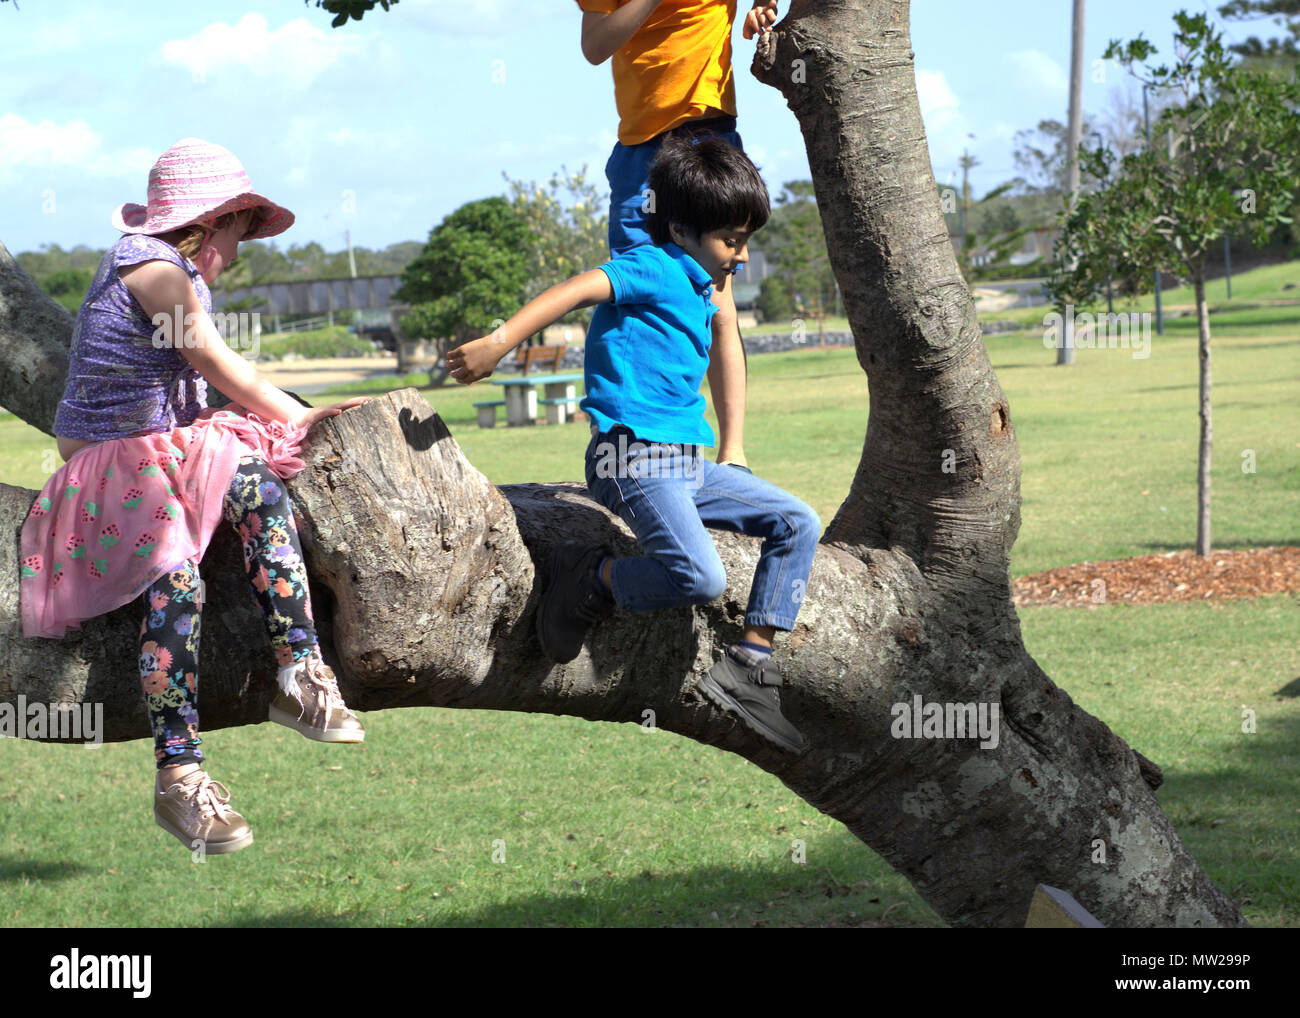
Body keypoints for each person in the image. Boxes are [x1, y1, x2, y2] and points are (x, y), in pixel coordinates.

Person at [20, 138, 368, 855]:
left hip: (154, 454)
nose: (241, 250)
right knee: (202, 546)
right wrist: (292, 414)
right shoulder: (151, 269)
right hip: (112, 466)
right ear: (213, 222)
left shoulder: (174, 274)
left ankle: (297, 674)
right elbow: (210, 354)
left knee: (238, 500)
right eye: (241, 228)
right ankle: (187, 770)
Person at [447, 137, 819, 753]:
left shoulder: (703, 290)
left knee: (797, 521)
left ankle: (750, 667)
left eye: (746, 239)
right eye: (733, 240)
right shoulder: (655, 265)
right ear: (681, 229)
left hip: (688, 466)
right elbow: (576, 289)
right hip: (632, 462)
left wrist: (735, 447)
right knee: (699, 578)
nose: (743, 257)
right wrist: (498, 342)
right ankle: (589, 573)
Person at [576, 0, 779, 471]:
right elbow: (594, 46)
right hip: (638, 153)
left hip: (706, 136)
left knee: (718, 305)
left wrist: (763, 7)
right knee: (635, 299)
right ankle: (628, 443)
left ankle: (733, 455)